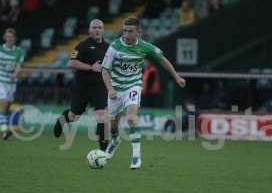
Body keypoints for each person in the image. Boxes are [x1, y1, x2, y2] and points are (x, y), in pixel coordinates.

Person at [101, 16, 186, 170]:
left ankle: (136, 157)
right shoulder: (114, 46)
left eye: (130, 31)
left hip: (133, 87)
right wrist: (110, 89)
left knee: (132, 118)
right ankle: (115, 141)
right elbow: (105, 69)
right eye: (124, 31)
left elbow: (162, 59)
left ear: (138, 32)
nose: (126, 34)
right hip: (115, 89)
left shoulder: (145, 47)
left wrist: (176, 76)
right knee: (113, 124)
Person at [53, 19, 109, 151]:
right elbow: (71, 63)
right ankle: (62, 120)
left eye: (100, 27)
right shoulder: (82, 45)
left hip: (99, 87)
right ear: (90, 30)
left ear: (103, 30)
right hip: (82, 86)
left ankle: (103, 152)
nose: (97, 30)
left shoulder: (108, 47)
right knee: (74, 116)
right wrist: (91, 67)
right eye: (94, 27)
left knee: (102, 116)